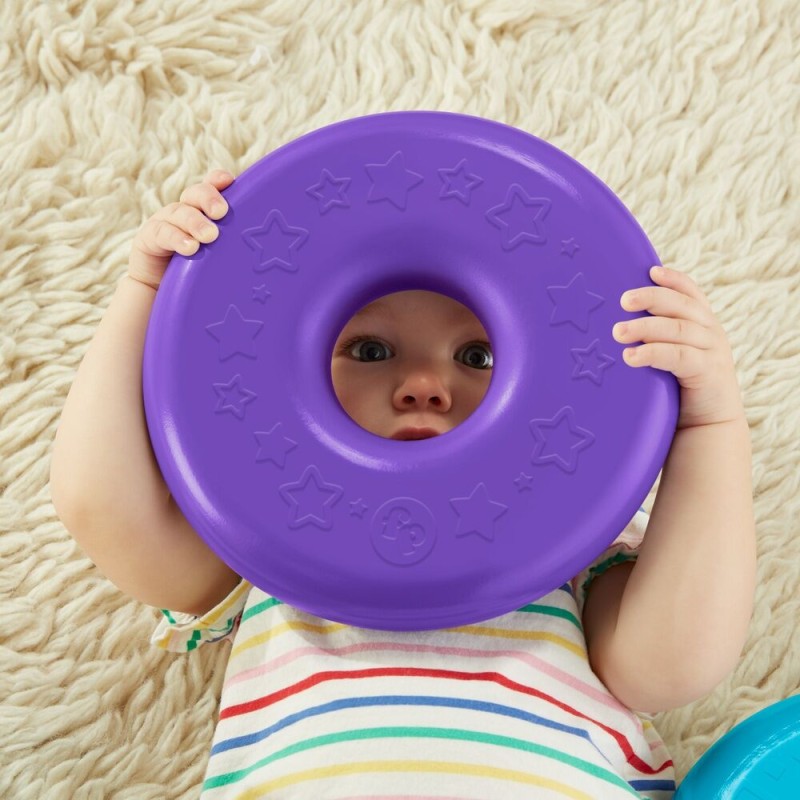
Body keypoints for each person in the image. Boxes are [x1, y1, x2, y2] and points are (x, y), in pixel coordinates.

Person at [49, 169, 757, 799]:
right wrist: (151, 295)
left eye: (479, 354)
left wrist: (708, 428)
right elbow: (98, 503)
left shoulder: (573, 545)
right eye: (371, 349)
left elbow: (672, 669)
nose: (424, 386)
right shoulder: (268, 542)